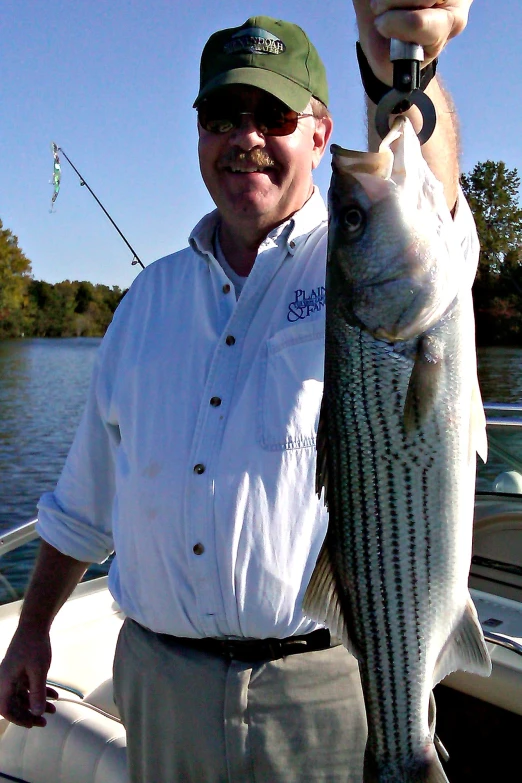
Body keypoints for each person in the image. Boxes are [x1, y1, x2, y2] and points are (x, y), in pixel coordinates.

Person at [0, 2, 476, 782]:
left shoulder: (362, 260)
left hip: (326, 689)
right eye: (222, 113)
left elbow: (429, 183)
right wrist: (33, 630)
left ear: (320, 135)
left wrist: (403, 53)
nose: (245, 136)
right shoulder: (146, 302)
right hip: (160, 688)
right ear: (199, 134)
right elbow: (83, 501)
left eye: (274, 114)